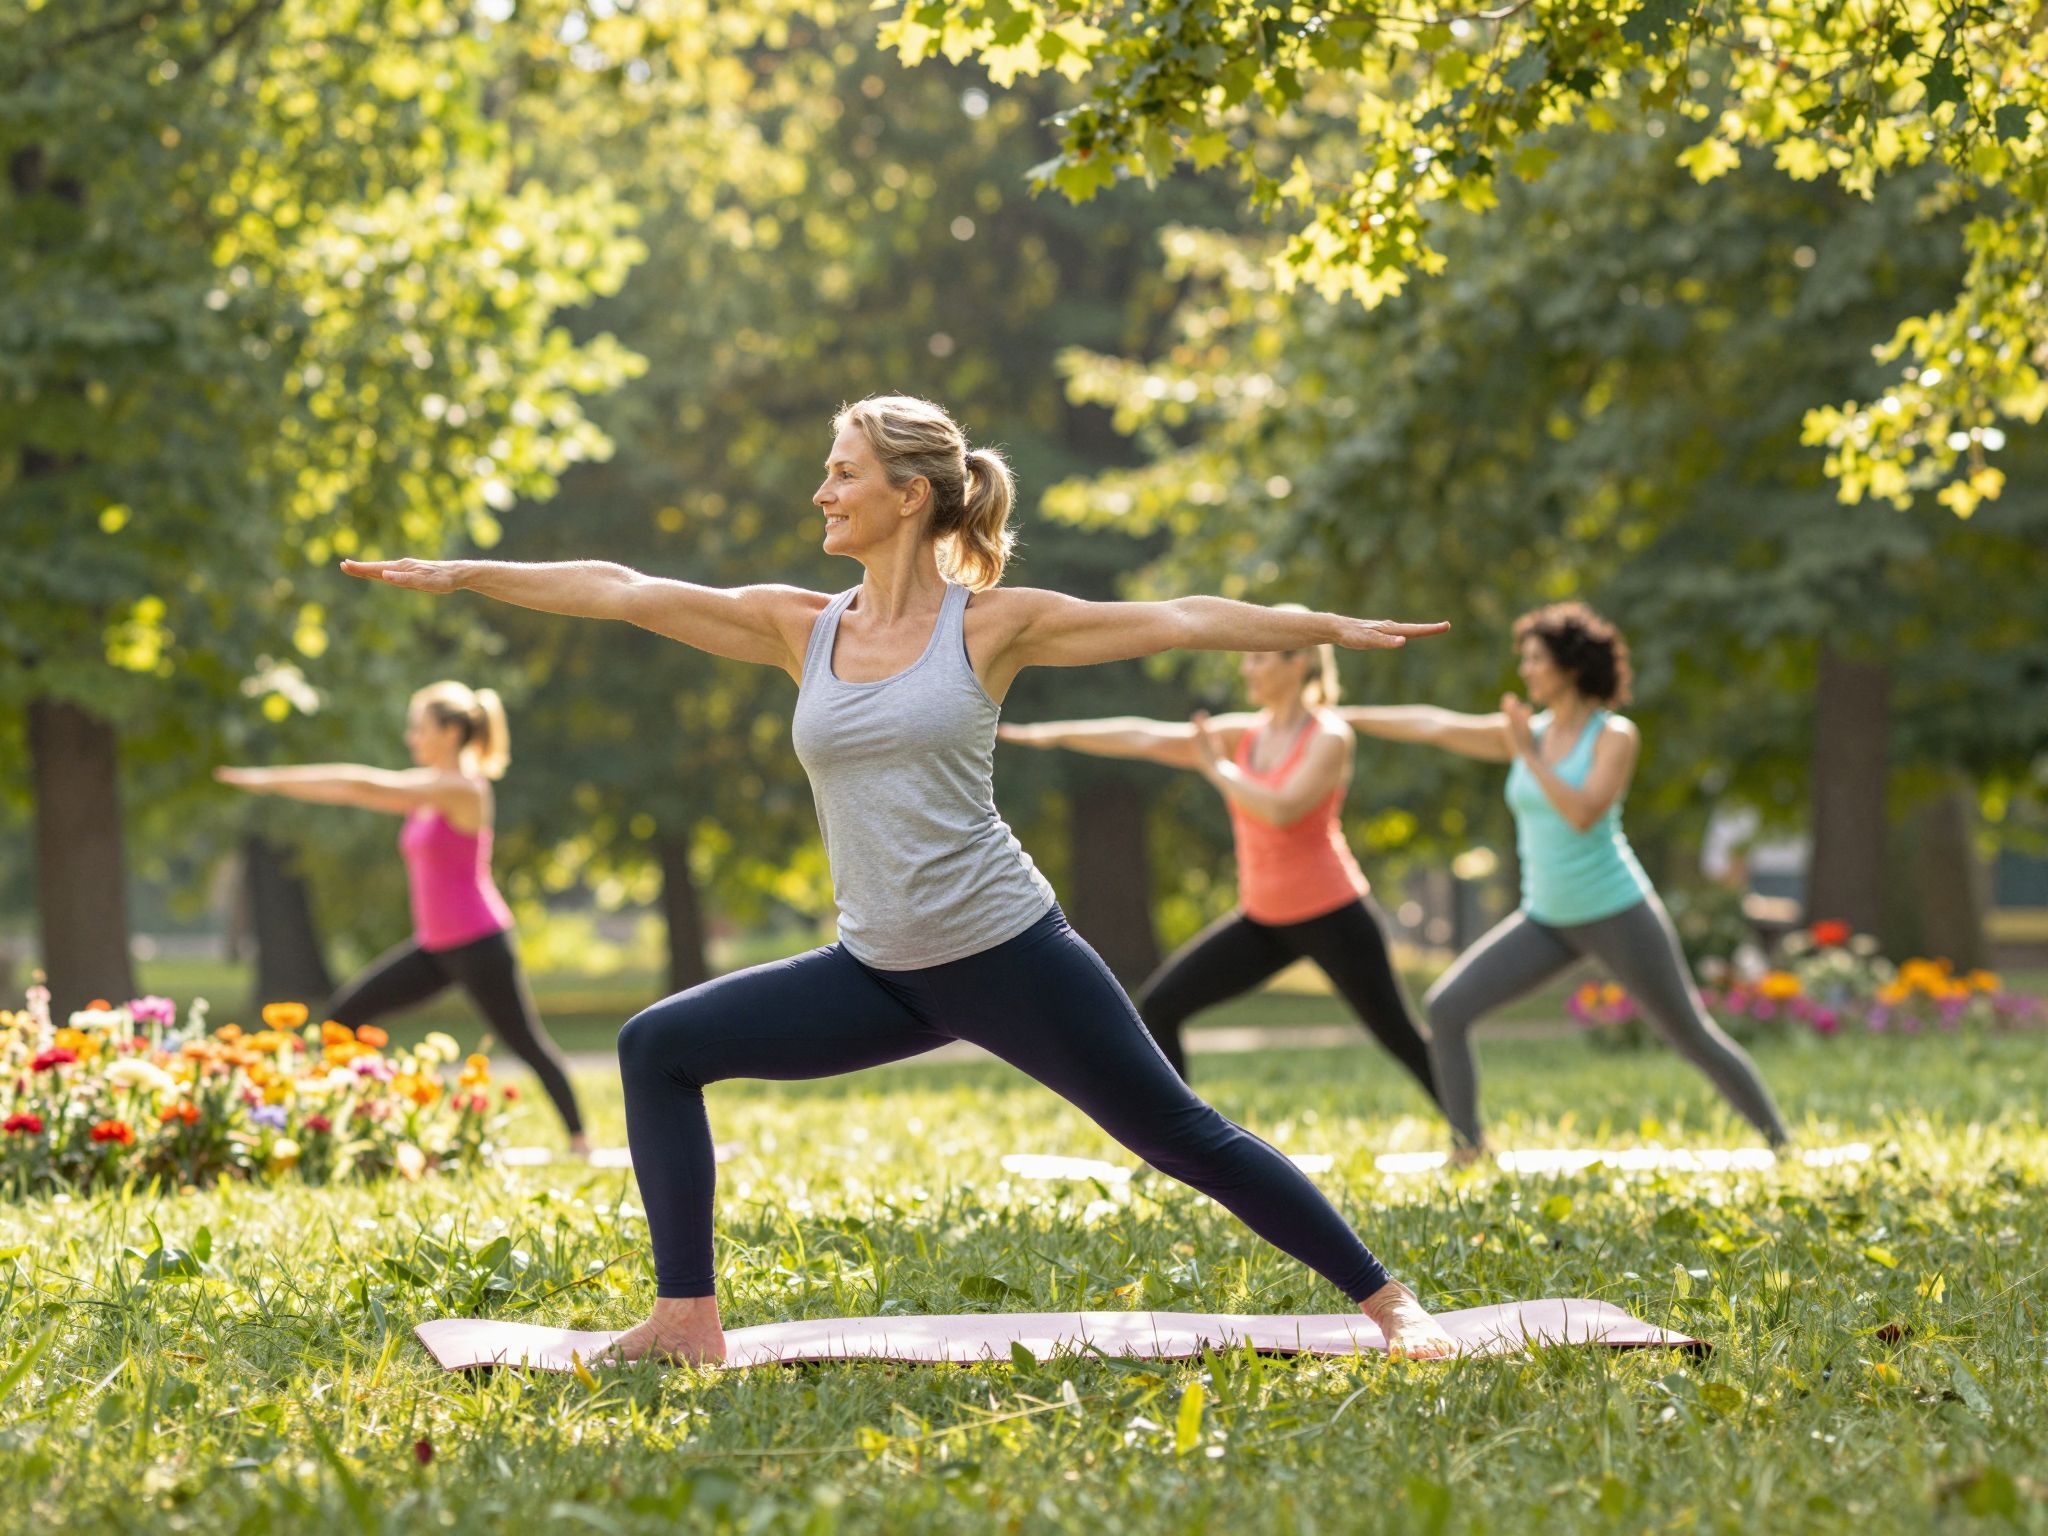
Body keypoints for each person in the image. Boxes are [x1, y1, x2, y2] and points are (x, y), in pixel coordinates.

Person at [342, 394, 1456, 1364]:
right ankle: (686, 1318)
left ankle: (1387, 1299)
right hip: (875, 970)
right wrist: (465, 574)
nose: (821, 491)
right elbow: (623, 588)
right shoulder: (799, 627)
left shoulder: (993, 625)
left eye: (842, 472)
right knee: (656, 1047)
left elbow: (1178, 620)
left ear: (911, 495)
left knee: (1176, 1135)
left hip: (1008, 954)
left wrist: (1322, 627)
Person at [1338, 602, 1791, 1161]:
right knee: (1447, 1008)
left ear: (1570, 667)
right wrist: (1343, 715)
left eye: (1535, 659)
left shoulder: (1613, 736)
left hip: (1616, 910)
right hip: (1546, 918)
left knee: (1690, 1036)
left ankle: (1781, 1144)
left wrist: (1528, 754)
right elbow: (1435, 725)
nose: (1525, 670)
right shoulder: (1527, 733)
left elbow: (1583, 813)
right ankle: (1468, 1148)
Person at [998, 625, 1440, 1105]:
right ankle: (1181, 1135)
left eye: (1259, 658)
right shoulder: (1244, 734)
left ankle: (1470, 1135)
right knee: (1161, 1006)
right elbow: (1144, 737)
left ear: (1299, 664)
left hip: (1332, 913)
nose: (1247, 668)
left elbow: (1282, 809)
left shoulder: (1330, 736)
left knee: (1400, 1036)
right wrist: (1050, 735)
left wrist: (1216, 768)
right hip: (1264, 919)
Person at [215, 681, 588, 1152]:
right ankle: (357, 1122)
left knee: (525, 1041)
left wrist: (268, 780)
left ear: (451, 732)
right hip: (435, 948)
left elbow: (362, 782)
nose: (412, 738)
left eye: (420, 729)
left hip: (479, 943)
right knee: (343, 1020)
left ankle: (580, 1139)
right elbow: (351, 793)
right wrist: (279, 786)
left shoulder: (462, 790)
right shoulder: (428, 793)